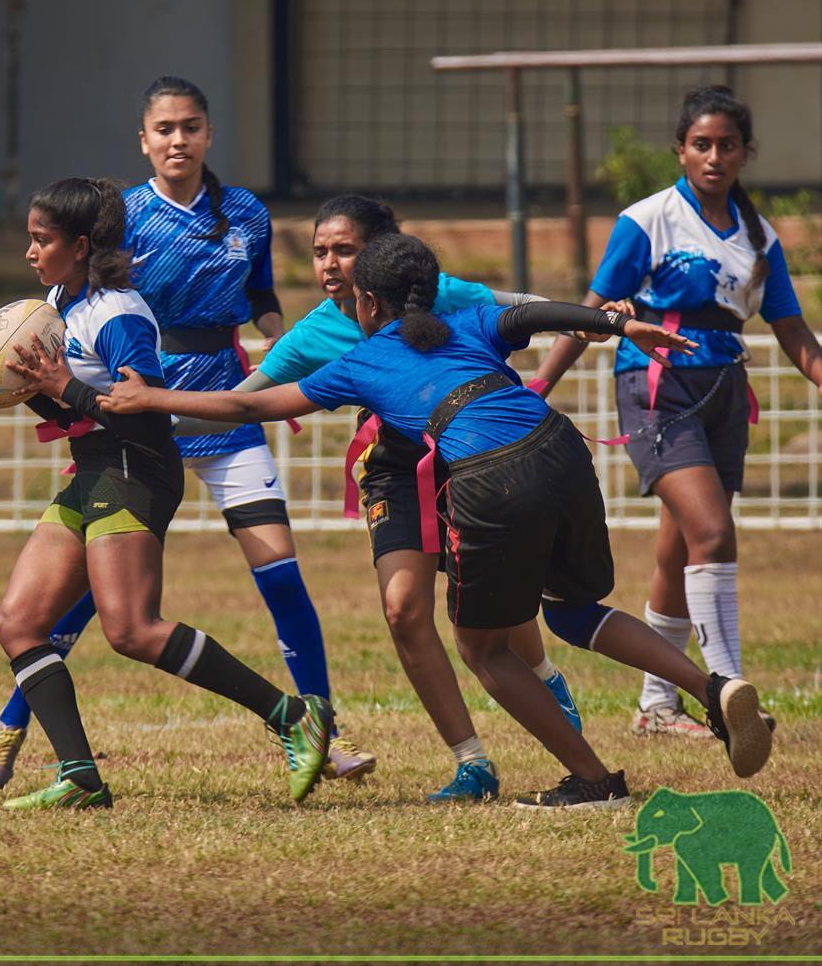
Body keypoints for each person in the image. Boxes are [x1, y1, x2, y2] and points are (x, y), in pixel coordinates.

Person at [100, 232, 775, 808]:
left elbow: (253, 408)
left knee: (484, 648)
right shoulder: (470, 323)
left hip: (493, 473)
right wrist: (622, 326)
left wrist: (149, 398)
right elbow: (541, 313)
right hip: (564, 451)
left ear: (367, 302)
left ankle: (594, 781)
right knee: (572, 609)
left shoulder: (361, 360)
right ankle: (713, 687)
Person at [0, 76, 366, 792]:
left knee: (150, 621)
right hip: (104, 454)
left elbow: (144, 397)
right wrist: (26, 394)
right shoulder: (72, 291)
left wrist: (278, 378)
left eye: (39, 240)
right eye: (164, 128)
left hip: (173, 430)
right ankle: (70, 767)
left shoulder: (132, 301)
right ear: (144, 140)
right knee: (25, 619)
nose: (29, 253)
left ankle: (303, 719)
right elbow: (79, 403)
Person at [228, 194, 584, 802]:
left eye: (345, 250)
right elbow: (245, 397)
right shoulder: (313, 332)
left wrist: (582, 330)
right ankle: (472, 763)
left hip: (480, 458)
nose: (330, 265)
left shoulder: (441, 294)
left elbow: (524, 308)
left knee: (498, 606)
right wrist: (132, 414)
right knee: (403, 610)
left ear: (383, 254)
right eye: (319, 253)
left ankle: (545, 678)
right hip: (395, 469)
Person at [534, 86, 820, 738]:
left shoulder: (759, 236)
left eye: (727, 145)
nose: (714, 156)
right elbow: (593, 309)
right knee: (714, 533)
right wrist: (538, 385)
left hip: (723, 394)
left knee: (679, 550)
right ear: (681, 151)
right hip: (656, 390)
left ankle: (657, 707)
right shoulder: (649, 219)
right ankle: (730, 701)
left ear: (746, 153)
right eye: (701, 144)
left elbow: (794, 334)